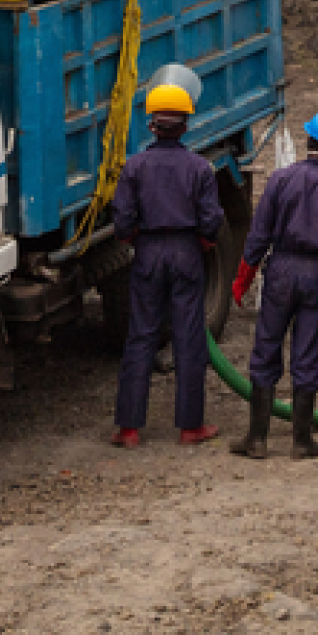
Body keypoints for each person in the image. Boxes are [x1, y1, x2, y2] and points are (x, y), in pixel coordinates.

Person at [230, 110, 318, 460]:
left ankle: (256, 439)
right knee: (307, 355)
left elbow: (258, 236)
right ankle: (301, 442)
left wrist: (243, 279)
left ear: (308, 141)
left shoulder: (279, 181)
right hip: (317, 274)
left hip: (280, 270)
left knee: (266, 349)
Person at [109, 85, 225, 449]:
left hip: (147, 252)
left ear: (152, 125)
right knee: (188, 338)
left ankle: (129, 428)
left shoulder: (135, 167)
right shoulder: (199, 169)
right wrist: (202, 241)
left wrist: (137, 239)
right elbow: (211, 221)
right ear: (186, 124)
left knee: (141, 335)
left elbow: (122, 221)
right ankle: (190, 426)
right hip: (186, 251)